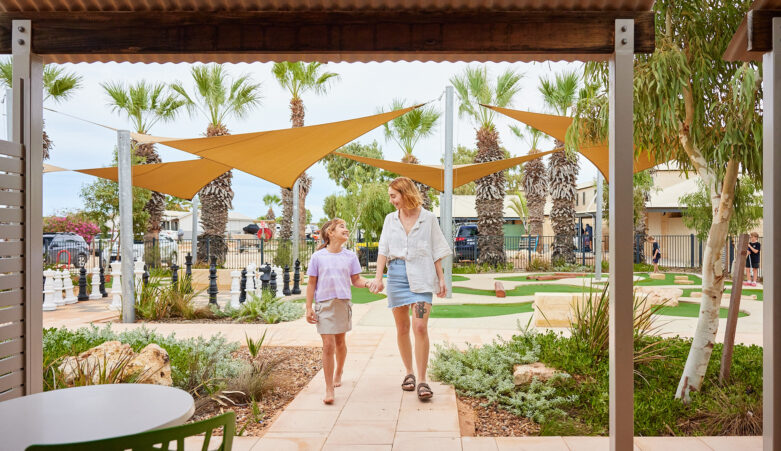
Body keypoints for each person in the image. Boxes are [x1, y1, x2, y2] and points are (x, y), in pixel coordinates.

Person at [369, 177, 451, 401]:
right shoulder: (390, 220)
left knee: (420, 327)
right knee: (403, 327)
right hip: (396, 276)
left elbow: (436, 250)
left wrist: (441, 278)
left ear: (405, 193)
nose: (391, 200)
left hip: (423, 276)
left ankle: (423, 380)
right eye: (390, 196)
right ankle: (409, 373)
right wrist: (379, 278)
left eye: (393, 196)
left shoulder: (428, 218)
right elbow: (383, 250)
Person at [305, 218, 373, 404]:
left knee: (340, 342)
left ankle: (339, 371)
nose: (346, 229)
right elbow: (311, 284)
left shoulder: (350, 256)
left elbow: (356, 280)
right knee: (328, 345)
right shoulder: (317, 257)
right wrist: (309, 307)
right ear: (330, 233)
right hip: (323, 305)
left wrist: (368, 283)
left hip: (342, 304)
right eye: (341, 226)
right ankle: (328, 389)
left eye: (346, 226)